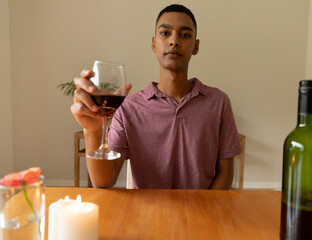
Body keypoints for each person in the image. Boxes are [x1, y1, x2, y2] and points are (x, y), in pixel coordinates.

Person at [71, 4, 241, 189]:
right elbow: (103, 181)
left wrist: (203, 212)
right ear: (153, 43)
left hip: (201, 215)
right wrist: (93, 132)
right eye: (165, 33)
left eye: (185, 35)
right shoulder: (129, 107)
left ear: (196, 46)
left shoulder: (218, 102)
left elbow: (225, 173)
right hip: (146, 216)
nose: (174, 41)